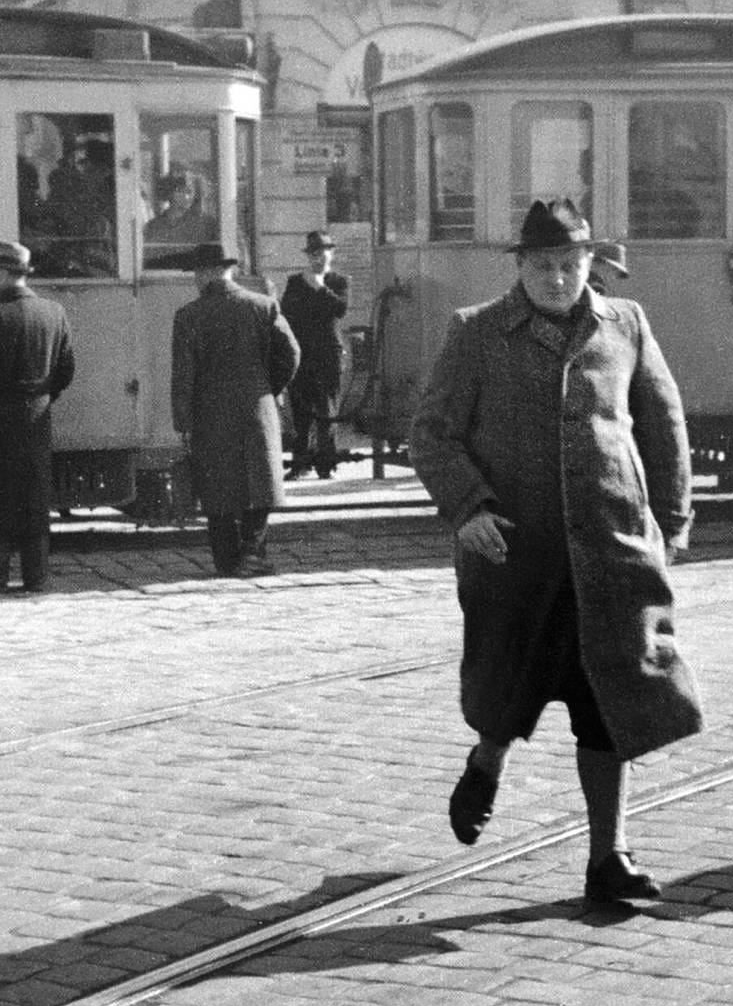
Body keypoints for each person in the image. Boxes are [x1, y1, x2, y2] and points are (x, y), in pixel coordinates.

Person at [410, 198, 703, 909]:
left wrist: (669, 522)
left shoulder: (625, 324)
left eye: (570, 265)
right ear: (521, 267)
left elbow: (663, 426)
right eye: (543, 266)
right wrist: (468, 507)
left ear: (588, 264)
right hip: (518, 559)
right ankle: (487, 760)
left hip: (609, 555)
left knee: (608, 701)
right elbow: (433, 434)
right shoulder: (477, 333)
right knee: (508, 692)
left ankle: (611, 856)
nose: (558, 278)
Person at [171, 240, 301, 578]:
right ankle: (252, 555)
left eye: (197, 273)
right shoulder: (264, 306)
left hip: (210, 414)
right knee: (260, 486)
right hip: (258, 408)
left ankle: (228, 562)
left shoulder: (188, 316)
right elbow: (291, 354)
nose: (195, 280)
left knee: (218, 491)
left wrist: (183, 422)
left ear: (208, 273)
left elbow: (183, 375)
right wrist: (268, 387)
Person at [0, 239, 75, 594]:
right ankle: (36, 579)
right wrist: (41, 396)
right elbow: (67, 370)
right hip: (39, 420)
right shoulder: (54, 312)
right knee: (35, 500)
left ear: (1, 272)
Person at [280, 232, 350, 479]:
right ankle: (300, 464)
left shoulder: (338, 282)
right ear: (308, 256)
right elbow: (287, 312)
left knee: (326, 411)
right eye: (314, 253)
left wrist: (319, 287)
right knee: (300, 411)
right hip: (302, 354)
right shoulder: (295, 282)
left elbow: (339, 309)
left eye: (323, 252)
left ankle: (326, 464)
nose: (319, 258)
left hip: (328, 355)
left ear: (332, 253)